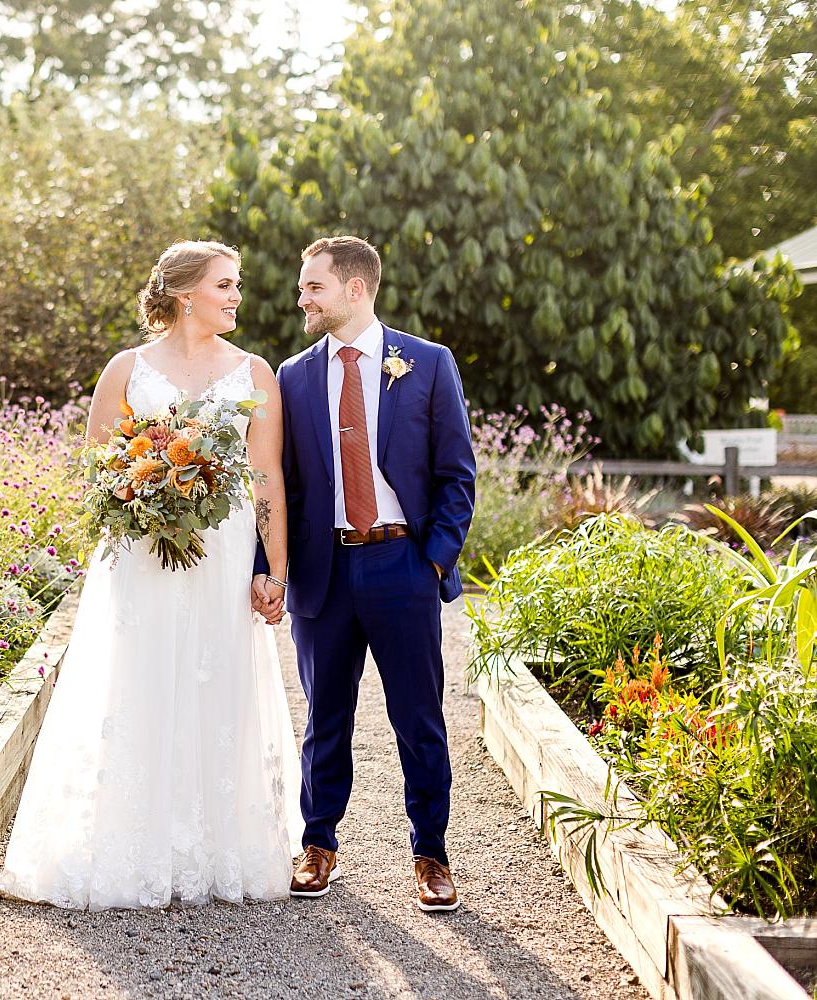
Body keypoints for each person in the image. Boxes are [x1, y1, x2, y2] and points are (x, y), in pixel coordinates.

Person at [0, 240, 302, 909]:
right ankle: (127, 844)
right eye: (225, 285)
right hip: (141, 547)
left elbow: (266, 474)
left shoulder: (254, 373)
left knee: (217, 677)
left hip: (221, 549)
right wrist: (146, 492)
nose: (236, 296)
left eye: (236, 285)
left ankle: (214, 848)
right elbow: (96, 463)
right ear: (186, 292)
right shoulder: (126, 369)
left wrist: (274, 568)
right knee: (139, 678)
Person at [254, 236, 476, 912]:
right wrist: (273, 568)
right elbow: (279, 484)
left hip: (401, 564)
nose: (303, 298)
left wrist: (432, 559)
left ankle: (431, 855)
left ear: (356, 289)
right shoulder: (292, 374)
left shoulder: (429, 364)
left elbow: (457, 475)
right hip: (325, 570)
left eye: (314, 286)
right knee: (324, 717)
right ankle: (318, 845)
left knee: (419, 717)